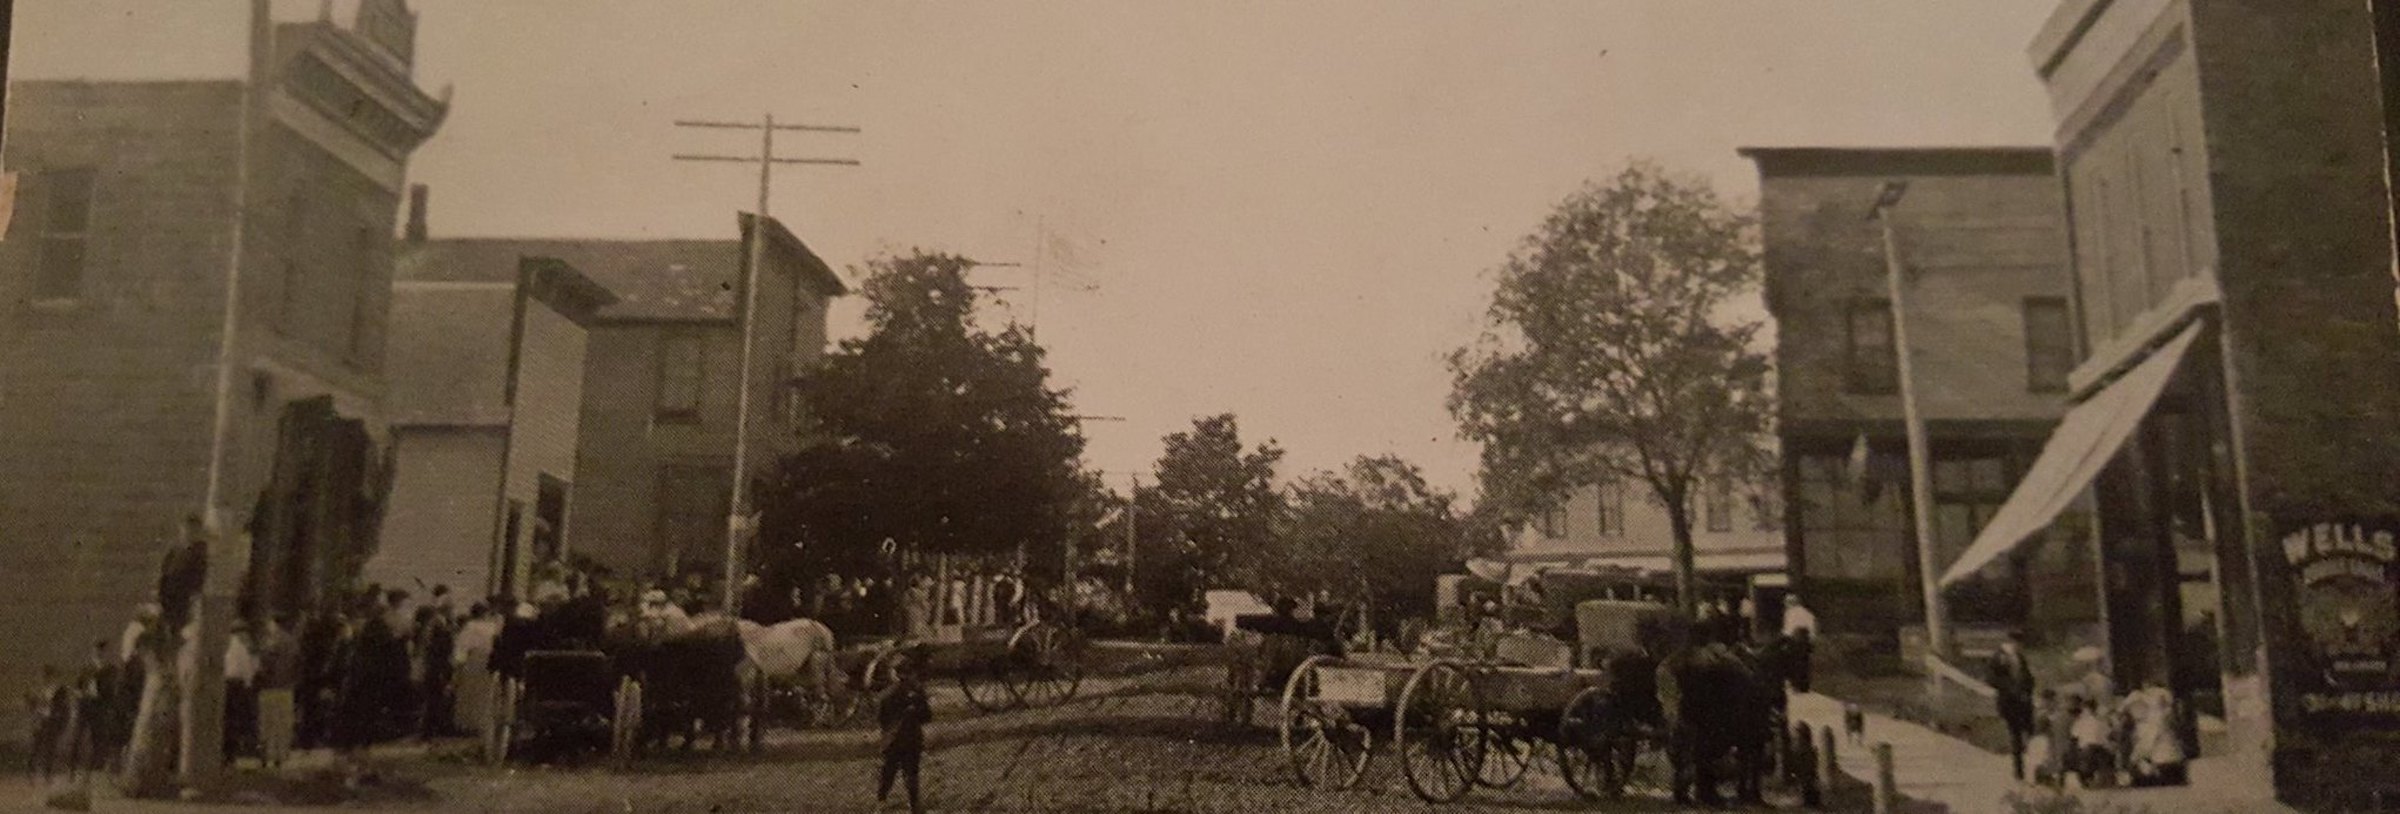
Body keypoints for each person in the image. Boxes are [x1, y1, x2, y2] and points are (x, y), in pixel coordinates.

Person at [876, 650, 933, 813]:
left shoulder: (886, 696)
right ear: (911, 673)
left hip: (892, 740)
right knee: (911, 773)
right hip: (911, 740)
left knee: (889, 772)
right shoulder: (918, 693)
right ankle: (914, 805)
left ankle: (882, 801)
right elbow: (927, 717)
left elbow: (882, 720)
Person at [1988, 630, 2037, 781]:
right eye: (2017, 643)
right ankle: (2019, 771)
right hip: (2009, 702)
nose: (2019, 647)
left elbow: (2027, 676)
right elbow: (1991, 678)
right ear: (2011, 642)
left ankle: (2037, 767)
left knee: (2031, 733)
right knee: (2015, 736)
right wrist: (2010, 688)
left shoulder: (2020, 657)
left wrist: (2028, 689)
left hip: (2024, 701)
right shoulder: (1999, 657)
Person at [256, 615, 299, 769]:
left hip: (269, 687)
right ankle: (280, 756)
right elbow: (297, 665)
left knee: (267, 723)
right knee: (282, 724)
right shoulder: (293, 643)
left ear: (274, 624)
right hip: (287, 687)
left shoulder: (270, 642)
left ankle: (266, 755)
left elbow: (265, 664)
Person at [223, 620, 261, 765]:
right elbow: (248, 670)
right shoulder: (241, 647)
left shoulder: (225, 645)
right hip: (237, 686)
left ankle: (228, 751)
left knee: (227, 719)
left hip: (225, 684)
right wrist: (248, 684)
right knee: (235, 720)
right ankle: (232, 752)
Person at [25, 664, 69, 782]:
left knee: (51, 748)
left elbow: (63, 706)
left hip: (52, 721)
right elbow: (31, 703)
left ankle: (47, 774)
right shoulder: (39, 689)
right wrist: (36, 707)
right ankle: (32, 772)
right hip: (41, 720)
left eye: (51, 676)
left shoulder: (59, 690)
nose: (49, 678)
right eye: (47, 676)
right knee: (37, 747)